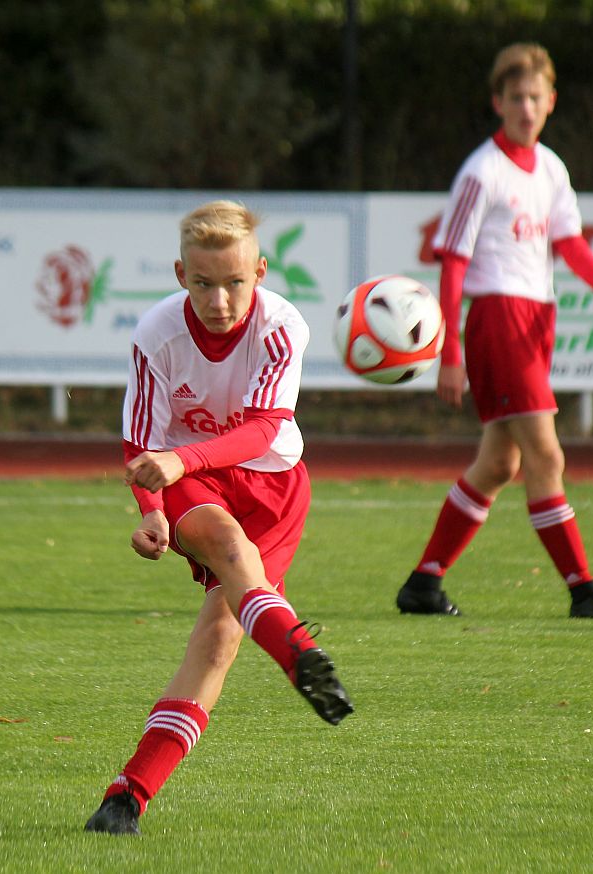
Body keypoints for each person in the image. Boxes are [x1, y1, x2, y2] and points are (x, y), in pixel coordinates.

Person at [84, 200, 353, 837]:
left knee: (219, 639)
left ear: (259, 271)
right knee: (231, 551)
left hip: (274, 483)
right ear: (181, 274)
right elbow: (138, 443)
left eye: (234, 283)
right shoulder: (156, 334)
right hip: (192, 480)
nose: (221, 300)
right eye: (203, 283)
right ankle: (299, 654)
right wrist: (152, 511)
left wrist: (177, 462)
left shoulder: (283, 326)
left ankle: (127, 796)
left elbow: (264, 428)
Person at [395, 42, 593, 620]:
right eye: (515, 97)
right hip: (498, 317)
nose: (526, 107)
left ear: (551, 101)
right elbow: (453, 260)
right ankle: (583, 590)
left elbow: (571, 243)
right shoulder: (482, 173)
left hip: (536, 318)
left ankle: (424, 584)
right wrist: (449, 350)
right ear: (497, 103)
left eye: (535, 97)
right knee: (545, 454)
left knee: (499, 464)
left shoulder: (551, 168)